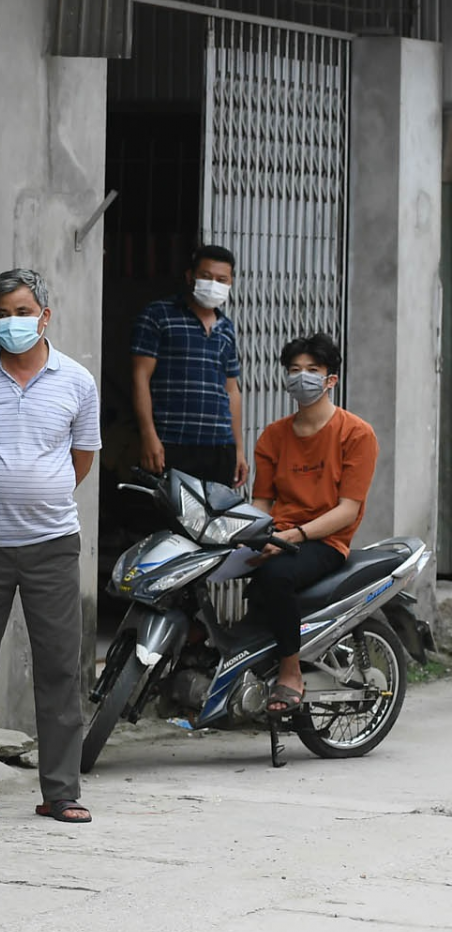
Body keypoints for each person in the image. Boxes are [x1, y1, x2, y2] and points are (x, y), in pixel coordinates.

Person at [0, 269, 101, 825]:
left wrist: (37, 491)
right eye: (3, 312)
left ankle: (61, 791)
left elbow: (82, 457)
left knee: (58, 669)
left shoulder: (77, 381)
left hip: (52, 544)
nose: (13, 322)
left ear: (45, 316)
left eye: (23, 311)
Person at [246, 333, 377, 716]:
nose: (301, 378)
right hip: (279, 533)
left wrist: (292, 535)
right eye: (294, 370)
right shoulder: (273, 435)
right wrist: (250, 535)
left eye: (312, 371)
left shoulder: (356, 434)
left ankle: (291, 672)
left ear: (330, 380)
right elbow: (262, 502)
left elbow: (348, 510)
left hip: (325, 540)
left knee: (276, 578)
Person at [130, 245, 246, 487]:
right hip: (171, 443)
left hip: (219, 446)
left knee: (216, 524)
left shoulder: (227, 328)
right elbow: (140, 377)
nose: (213, 283)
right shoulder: (158, 315)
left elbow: (231, 390)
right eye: (206, 276)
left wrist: (238, 450)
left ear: (231, 282)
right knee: (166, 521)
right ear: (190, 276)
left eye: (221, 279)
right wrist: (148, 435)